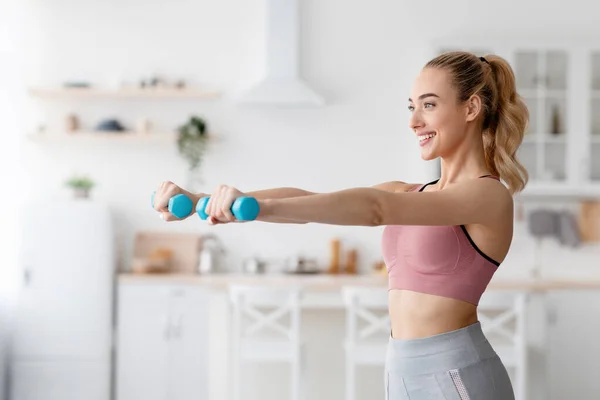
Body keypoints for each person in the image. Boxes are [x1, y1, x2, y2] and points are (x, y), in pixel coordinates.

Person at [153, 51, 529, 399]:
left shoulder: (488, 197)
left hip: (455, 375)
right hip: (400, 371)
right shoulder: (412, 192)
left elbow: (375, 209)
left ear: (471, 108)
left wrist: (259, 207)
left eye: (429, 105)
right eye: (412, 107)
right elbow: (309, 198)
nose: (414, 121)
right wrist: (207, 202)